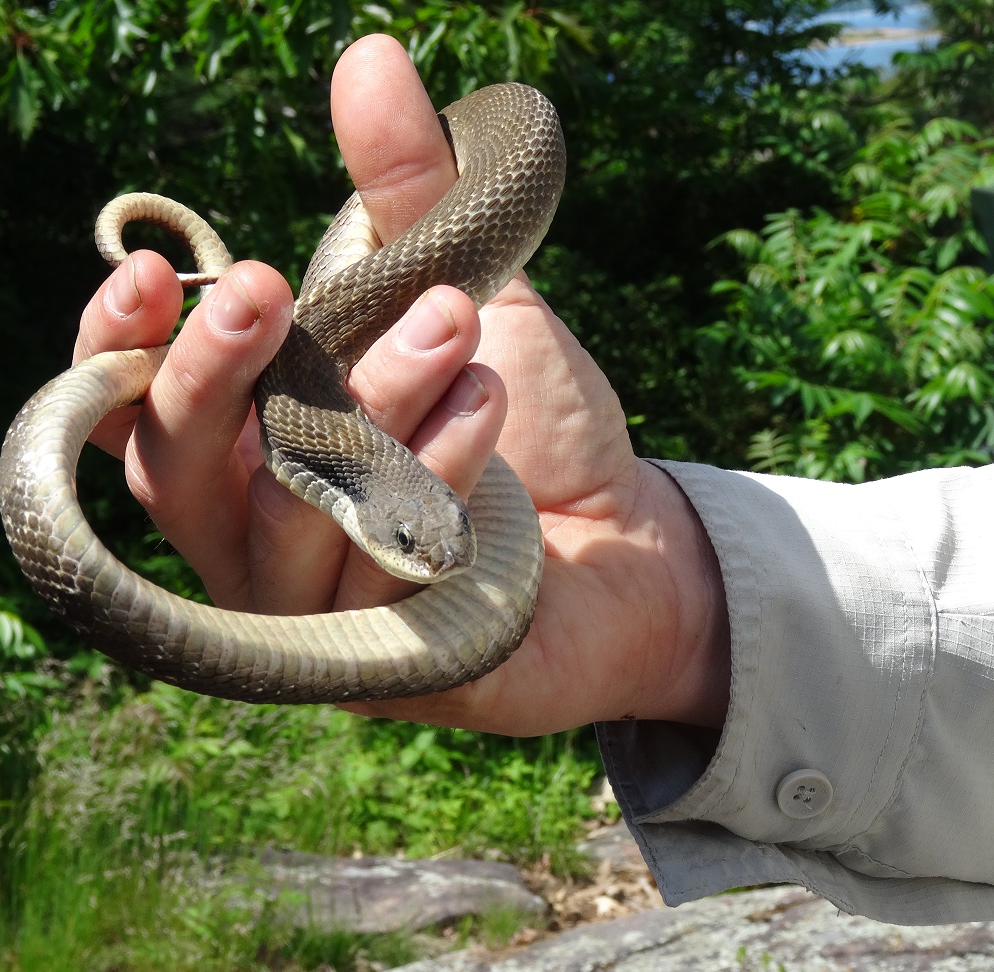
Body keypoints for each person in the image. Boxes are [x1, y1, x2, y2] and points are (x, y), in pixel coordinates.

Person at [70, 34, 994, 925]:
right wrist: (671, 595)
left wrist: (664, 604)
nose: (441, 557)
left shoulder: (378, 471)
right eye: (412, 546)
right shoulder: (333, 450)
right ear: (364, 500)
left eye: (436, 538)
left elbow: (416, 514)